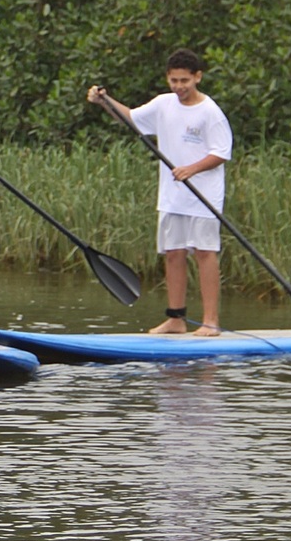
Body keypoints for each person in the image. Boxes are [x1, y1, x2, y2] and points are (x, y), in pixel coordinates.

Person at [88, 48, 233, 337]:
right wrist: (105, 101)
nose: (179, 86)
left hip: (203, 197)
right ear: (168, 78)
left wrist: (191, 169)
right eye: (174, 80)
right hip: (171, 196)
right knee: (173, 254)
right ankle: (176, 319)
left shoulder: (210, 112)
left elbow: (221, 153)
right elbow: (130, 119)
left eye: (184, 81)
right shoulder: (163, 104)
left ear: (197, 77)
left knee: (204, 253)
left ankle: (211, 322)